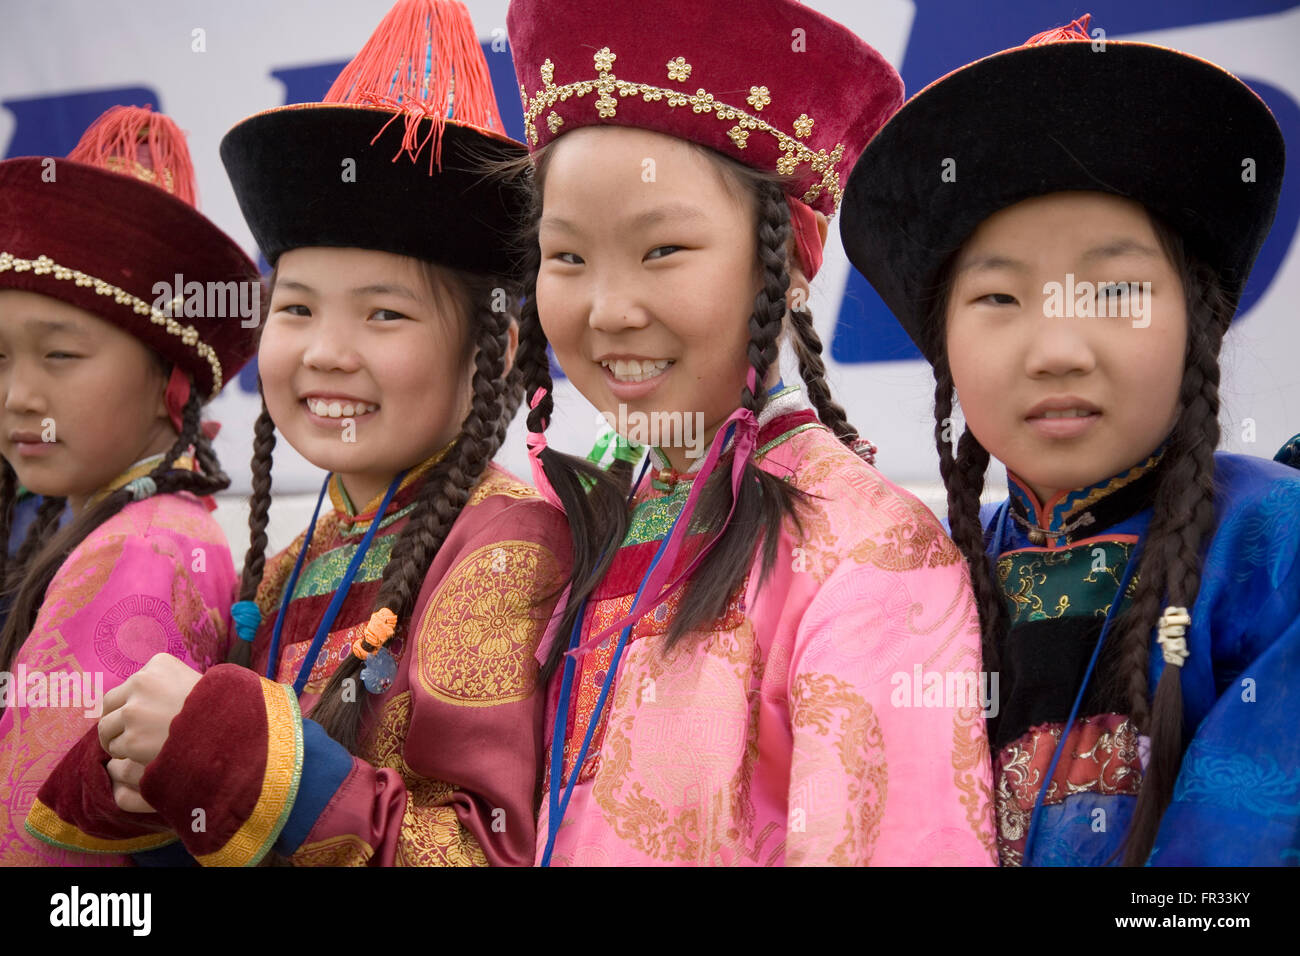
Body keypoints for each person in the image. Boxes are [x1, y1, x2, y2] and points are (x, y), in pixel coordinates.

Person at [26, 0, 570, 867]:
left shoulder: (505, 545)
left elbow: (481, 853)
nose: (325, 353)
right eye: (298, 308)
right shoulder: (285, 570)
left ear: (496, 349)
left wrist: (224, 746)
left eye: (385, 314)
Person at [505, 0, 997, 865]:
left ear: (787, 269)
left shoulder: (868, 551)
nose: (609, 309)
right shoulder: (573, 529)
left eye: (662, 252)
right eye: (568, 257)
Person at [840, 15, 1299, 865]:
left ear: (1195, 321)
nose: (1056, 349)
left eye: (1115, 290)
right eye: (1000, 300)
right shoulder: (919, 575)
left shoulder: (1274, 542)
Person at [0, 105, 258, 863]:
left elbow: (37, 844)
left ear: (167, 383)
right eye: (0, 359)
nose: (19, 396)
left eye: (60, 357)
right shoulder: (129, 525)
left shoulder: (140, 549)